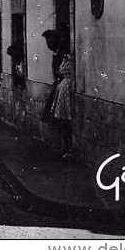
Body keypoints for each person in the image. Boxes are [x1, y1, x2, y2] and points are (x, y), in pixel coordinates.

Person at [42, 30, 74, 159]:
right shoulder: (56, 53)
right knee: (55, 117)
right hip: (58, 85)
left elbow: (62, 70)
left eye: (50, 41)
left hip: (63, 87)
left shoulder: (63, 54)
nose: (48, 44)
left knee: (62, 118)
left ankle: (65, 147)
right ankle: (60, 145)